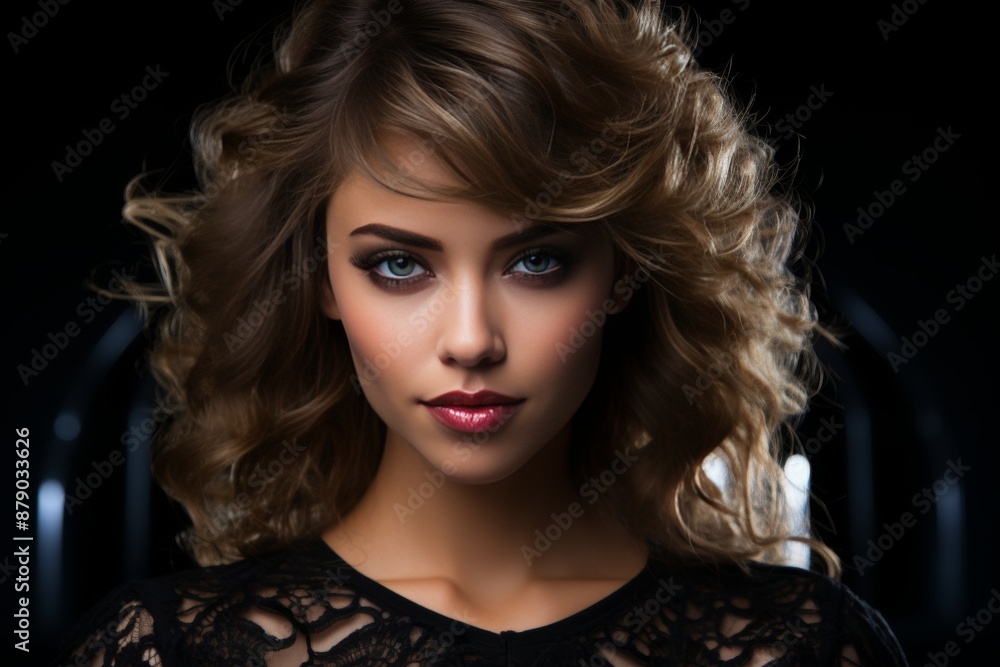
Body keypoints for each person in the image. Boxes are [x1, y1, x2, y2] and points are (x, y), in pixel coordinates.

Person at [52, 0, 910, 664]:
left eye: (537, 262)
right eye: (398, 265)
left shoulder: (802, 644)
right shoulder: (171, 648)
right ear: (319, 280)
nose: (470, 339)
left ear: (622, 276)